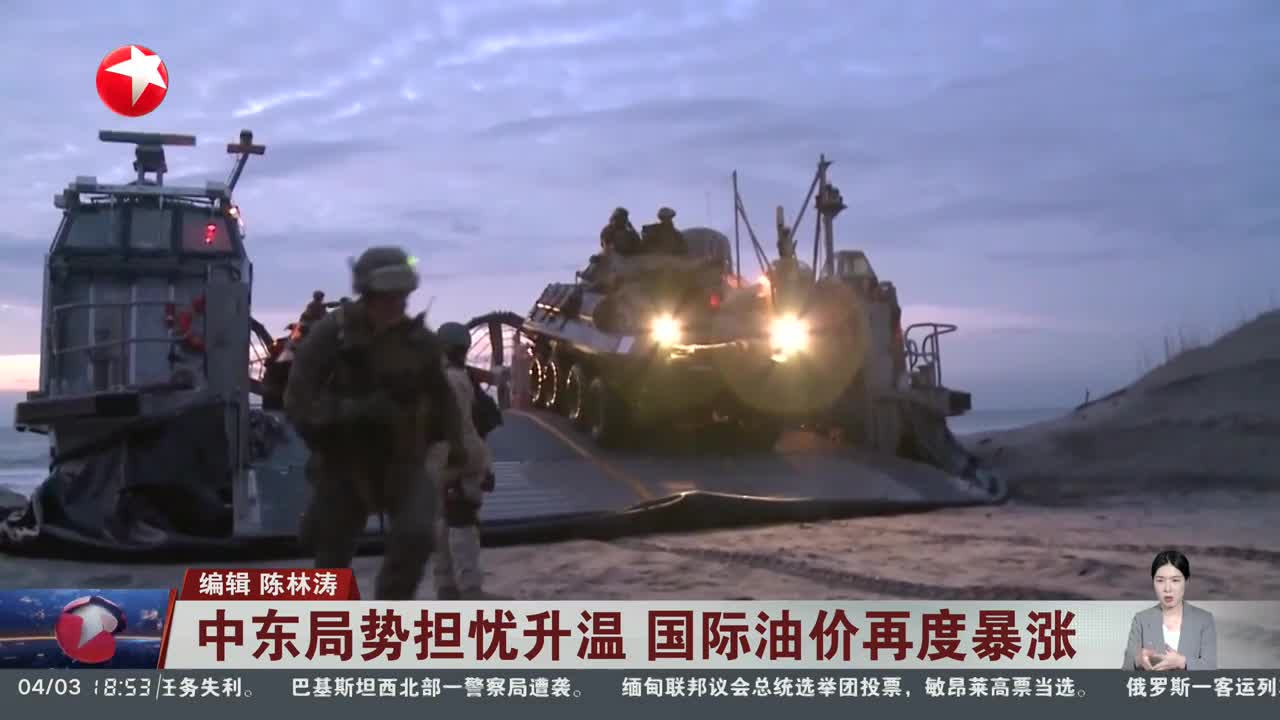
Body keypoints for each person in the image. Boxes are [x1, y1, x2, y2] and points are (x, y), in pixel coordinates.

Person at [283, 245, 467, 600]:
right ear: (368, 294)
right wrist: (353, 413)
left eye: (402, 295)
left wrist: (459, 452)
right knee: (332, 557)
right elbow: (297, 402)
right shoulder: (331, 336)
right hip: (344, 462)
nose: (396, 304)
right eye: (387, 296)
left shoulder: (419, 342)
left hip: (403, 461)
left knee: (417, 534)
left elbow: (443, 397)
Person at [429, 321, 501, 599]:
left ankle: (445, 587)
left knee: (442, 524)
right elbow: (465, 429)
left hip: (434, 464)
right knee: (463, 523)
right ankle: (470, 589)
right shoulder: (456, 380)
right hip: (456, 463)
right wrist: (482, 466)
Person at [1123, 550, 1217, 671]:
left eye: (1175, 580)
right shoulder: (1141, 619)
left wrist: (1183, 662)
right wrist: (1138, 660)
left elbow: (1210, 667)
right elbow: (1126, 668)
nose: (1167, 589)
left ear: (1186, 581)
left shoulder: (1204, 619)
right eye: (1160, 580)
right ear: (1153, 581)